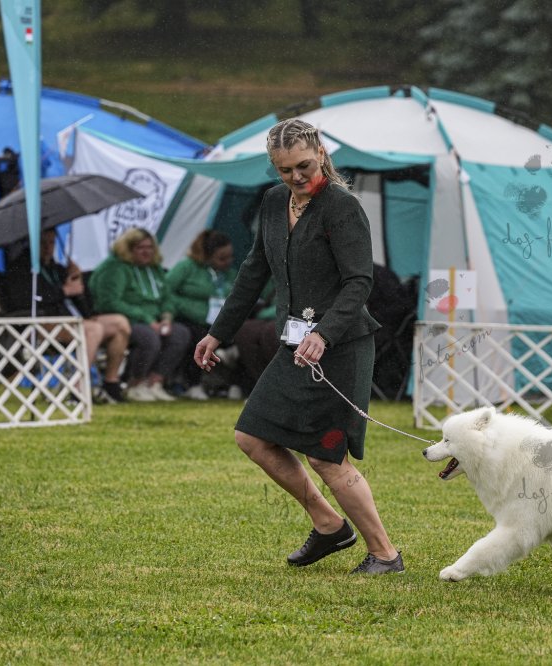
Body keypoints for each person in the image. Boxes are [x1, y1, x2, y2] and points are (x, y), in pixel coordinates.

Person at [194, 118, 403, 575]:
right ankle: (329, 525)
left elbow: (359, 282)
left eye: (304, 165)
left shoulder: (342, 208)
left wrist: (324, 333)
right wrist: (218, 332)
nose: (296, 177)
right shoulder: (274, 201)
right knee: (252, 436)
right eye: (284, 169)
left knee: (326, 456)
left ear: (321, 153)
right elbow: (254, 271)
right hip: (294, 346)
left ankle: (386, 554)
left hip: (340, 347)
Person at [4, 229, 131, 403]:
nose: (48, 248)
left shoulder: (58, 269)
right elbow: (24, 301)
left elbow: (84, 305)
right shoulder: (20, 268)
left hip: (71, 321)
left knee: (119, 323)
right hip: (39, 324)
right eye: (43, 243)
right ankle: (77, 389)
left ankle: (111, 383)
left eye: (51, 243)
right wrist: (63, 291)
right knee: (93, 329)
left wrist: (78, 279)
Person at [165, 229, 277, 400]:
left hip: (220, 321)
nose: (228, 262)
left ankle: (239, 385)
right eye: (222, 258)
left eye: (230, 257)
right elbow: (166, 292)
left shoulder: (230, 273)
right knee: (199, 336)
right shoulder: (185, 267)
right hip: (191, 320)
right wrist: (189, 309)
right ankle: (193, 384)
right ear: (206, 256)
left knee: (243, 336)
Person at [89, 228, 191, 402]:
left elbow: (167, 298)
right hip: (124, 320)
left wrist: (166, 317)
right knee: (148, 337)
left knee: (180, 333)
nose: (147, 252)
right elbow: (109, 302)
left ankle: (154, 383)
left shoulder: (154, 269)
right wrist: (147, 319)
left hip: (154, 319)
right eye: (140, 248)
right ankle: (134, 383)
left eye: (150, 247)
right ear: (128, 249)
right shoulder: (114, 267)